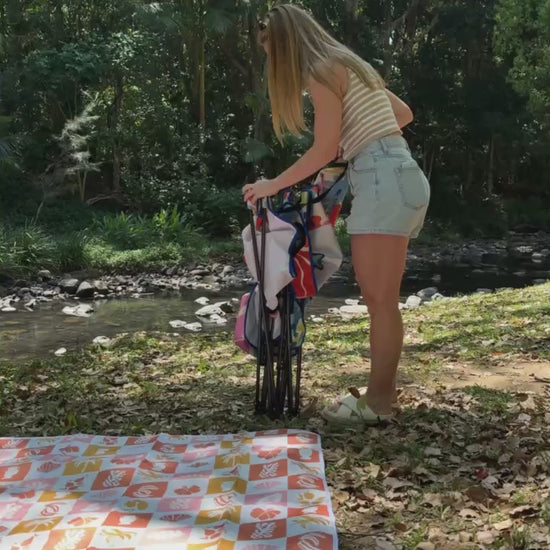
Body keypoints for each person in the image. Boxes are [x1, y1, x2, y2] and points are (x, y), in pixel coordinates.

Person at [241, 4, 430, 426]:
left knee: (380, 302)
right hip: (401, 174)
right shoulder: (351, 64)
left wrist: (273, 184)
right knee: (383, 301)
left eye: (273, 53)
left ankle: (378, 404)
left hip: (382, 178)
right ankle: (382, 396)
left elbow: (323, 149)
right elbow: (402, 114)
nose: (275, 63)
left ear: (288, 44)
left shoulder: (322, 70)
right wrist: (355, 138)